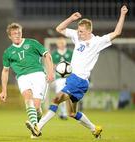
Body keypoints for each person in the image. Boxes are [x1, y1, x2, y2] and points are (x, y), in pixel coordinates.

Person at [26, 5, 128, 138]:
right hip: (74, 79)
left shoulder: (97, 42)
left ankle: (37, 128)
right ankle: (95, 129)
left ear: (89, 31)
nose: (78, 33)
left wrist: (123, 14)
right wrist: (71, 18)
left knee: (56, 99)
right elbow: (59, 29)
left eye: (81, 32)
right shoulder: (76, 37)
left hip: (79, 80)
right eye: (78, 31)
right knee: (72, 113)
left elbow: (117, 32)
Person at [0, 23, 54, 138]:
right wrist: (4, 91)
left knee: (37, 106)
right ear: (10, 36)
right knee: (28, 98)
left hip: (38, 74)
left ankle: (36, 125)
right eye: (14, 33)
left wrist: (50, 72)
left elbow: (47, 56)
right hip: (22, 77)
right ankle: (35, 126)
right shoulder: (8, 52)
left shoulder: (32, 43)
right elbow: (5, 71)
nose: (17, 35)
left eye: (19, 32)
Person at [51, 37, 73, 120]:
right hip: (59, 77)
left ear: (65, 44)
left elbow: (73, 64)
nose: (61, 45)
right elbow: (52, 65)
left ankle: (69, 112)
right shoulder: (54, 54)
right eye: (60, 43)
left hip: (69, 77)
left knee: (68, 95)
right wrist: (58, 68)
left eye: (63, 43)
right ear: (57, 44)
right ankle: (62, 113)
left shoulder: (70, 53)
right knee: (59, 96)